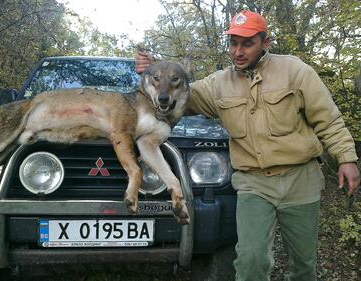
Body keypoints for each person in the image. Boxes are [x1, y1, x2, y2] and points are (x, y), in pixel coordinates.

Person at [135, 10, 360, 281]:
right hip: (253, 183)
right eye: (233, 43)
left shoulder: (295, 71)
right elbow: (171, 100)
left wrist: (346, 158)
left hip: (300, 179)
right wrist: (153, 74)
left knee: (303, 266)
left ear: (265, 43)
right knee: (251, 263)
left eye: (247, 43)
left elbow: (328, 119)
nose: (238, 51)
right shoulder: (218, 84)